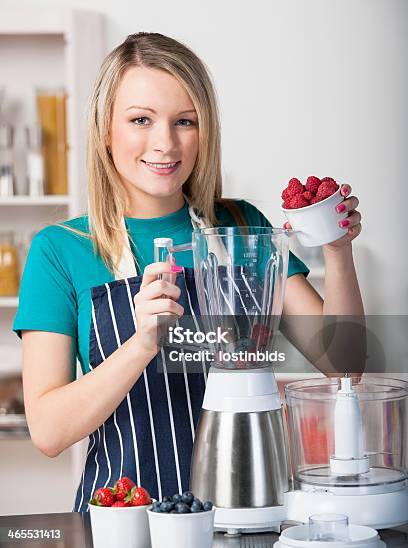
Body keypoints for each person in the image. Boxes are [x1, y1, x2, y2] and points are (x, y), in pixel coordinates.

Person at [13, 32, 364, 512]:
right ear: (104, 130)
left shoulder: (243, 227)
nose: (166, 143)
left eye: (185, 121)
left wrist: (338, 249)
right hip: (125, 521)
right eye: (141, 120)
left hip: (249, 513)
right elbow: (50, 432)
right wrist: (141, 344)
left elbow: (345, 365)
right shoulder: (61, 251)